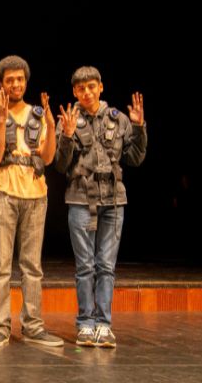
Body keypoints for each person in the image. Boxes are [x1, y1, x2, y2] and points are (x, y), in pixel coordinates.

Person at [55, 66, 147, 348]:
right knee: (85, 266)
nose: (87, 92)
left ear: (101, 87)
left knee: (106, 266)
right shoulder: (68, 119)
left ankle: (104, 325)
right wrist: (67, 136)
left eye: (91, 86)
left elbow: (135, 158)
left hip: (114, 200)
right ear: (75, 91)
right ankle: (85, 323)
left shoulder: (118, 119)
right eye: (81, 88)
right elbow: (61, 165)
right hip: (80, 199)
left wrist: (139, 128)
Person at [0, 55, 62, 347]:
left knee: (32, 266)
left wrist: (51, 126)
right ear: (1, 85)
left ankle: (33, 326)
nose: (15, 84)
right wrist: (3, 119)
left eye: (19, 79)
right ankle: (0, 327)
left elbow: (48, 158)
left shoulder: (39, 115)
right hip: (2, 192)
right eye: (9, 80)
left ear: (26, 82)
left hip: (35, 195)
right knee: (1, 265)